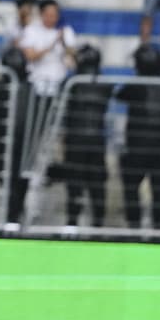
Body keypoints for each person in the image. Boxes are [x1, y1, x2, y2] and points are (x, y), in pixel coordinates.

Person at [117, 44, 160, 230]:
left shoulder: (136, 85)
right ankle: (158, 227)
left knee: (132, 187)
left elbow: (119, 94)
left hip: (138, 146)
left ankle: (135, 225)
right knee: (158, 190)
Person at [57, 45, 112, 227]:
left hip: (75, 141)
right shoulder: (105, 83)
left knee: (75, 183)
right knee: (97, 184)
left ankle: (72, 222)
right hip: (96, 140)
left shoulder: (71, 83)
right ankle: (98, 223)